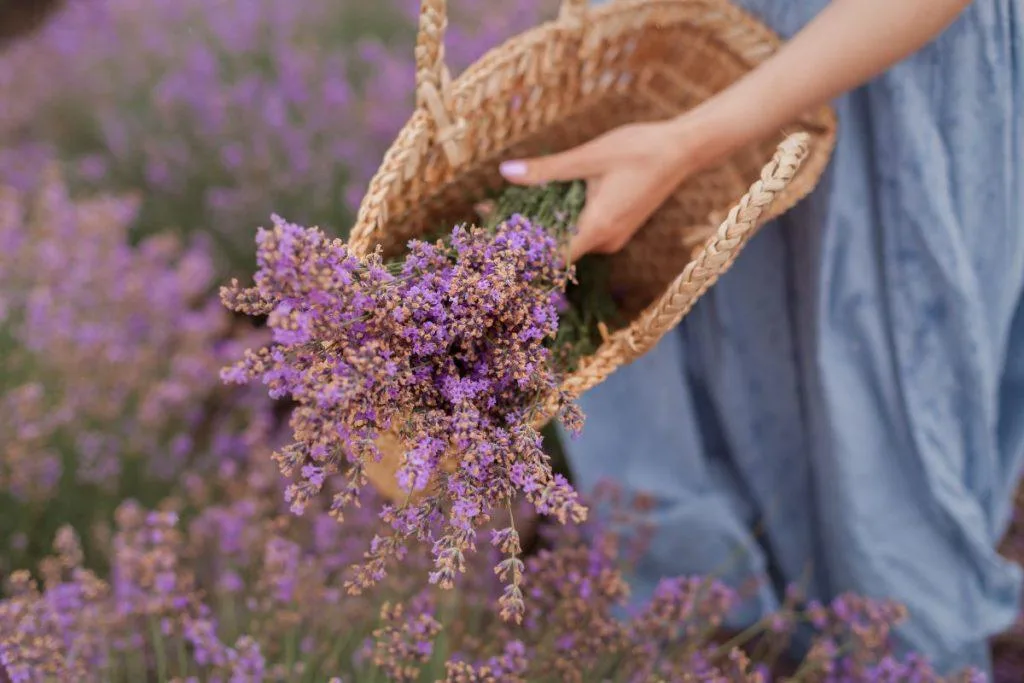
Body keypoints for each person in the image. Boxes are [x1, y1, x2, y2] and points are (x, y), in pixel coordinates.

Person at [499, 0, 1022, 674]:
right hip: (686, 62)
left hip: (883, 72)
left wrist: (690, 142)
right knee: (709, 420)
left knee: (890, 487)